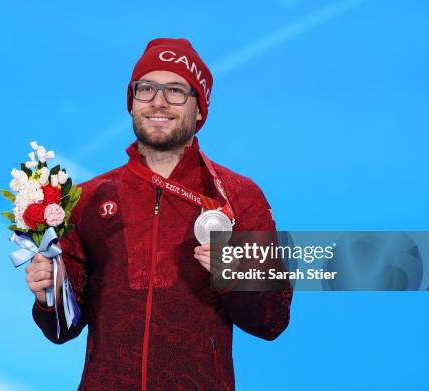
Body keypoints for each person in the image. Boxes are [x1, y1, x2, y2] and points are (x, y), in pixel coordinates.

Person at [25, 38, 292, 391]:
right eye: (146, 89)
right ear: (131, 103)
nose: (159, 101)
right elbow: (62, 330)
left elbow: (272, 320)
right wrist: (50, 295)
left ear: (199, 109)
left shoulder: (238, 197)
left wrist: (233, 275)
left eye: (177, 91)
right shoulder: (87, 199)